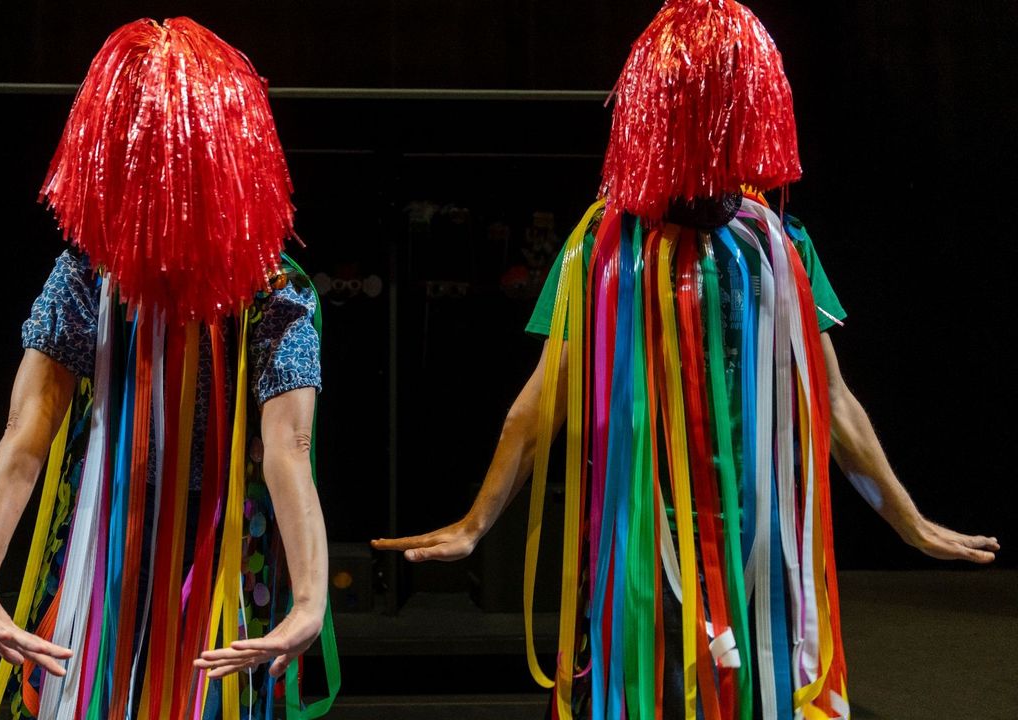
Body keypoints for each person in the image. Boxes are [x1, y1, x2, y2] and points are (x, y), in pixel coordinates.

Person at [373, 2, 998, 719]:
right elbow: (545, 399)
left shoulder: (780, 247)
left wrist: (909, 520)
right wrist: (476, 521)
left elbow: (831, 402)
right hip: (642, 545)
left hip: (757, 547)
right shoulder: (602, 251)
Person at [0, 17, 338, 720]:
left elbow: (290, 448)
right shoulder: (85, 276)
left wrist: (311, 599)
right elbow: (25, 435)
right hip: (102, 542)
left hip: (224, 549)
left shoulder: (274, 291)